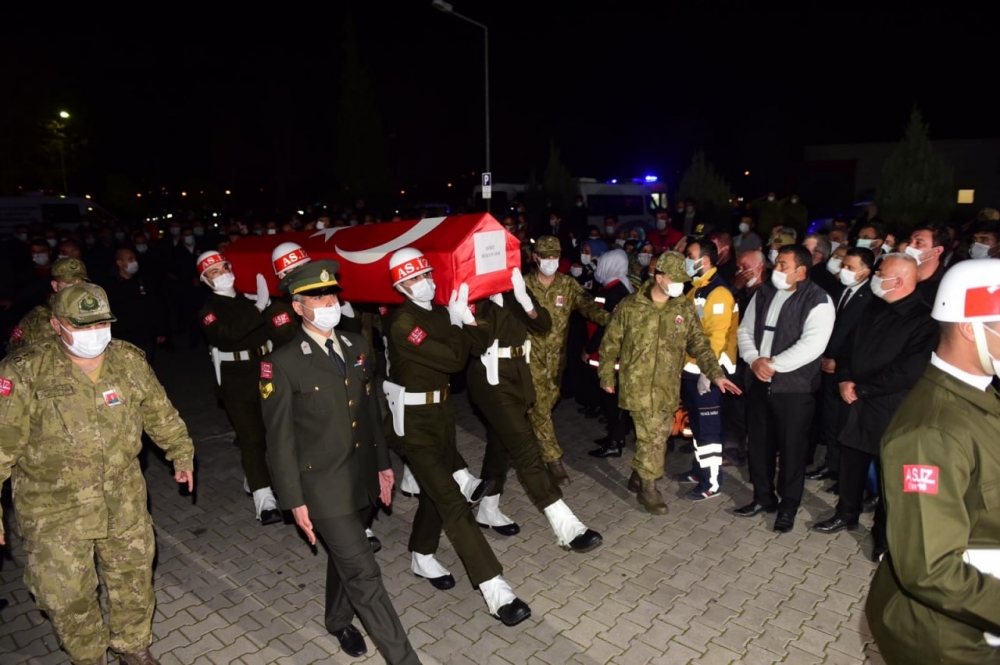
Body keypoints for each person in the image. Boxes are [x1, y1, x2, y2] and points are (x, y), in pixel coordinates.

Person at [0, 283, 195, 665]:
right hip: (54, 510)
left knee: (133, 580)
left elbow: (160, 412)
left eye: (101, 323)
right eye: (83, 326)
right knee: (67, 595)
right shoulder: (23, 372)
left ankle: (132, 646)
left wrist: (181, 452)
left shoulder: (129, 361)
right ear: (57, 325)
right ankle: (88, 656)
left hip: (123, 498)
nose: (95, 334)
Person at [260, 260, 421, 664]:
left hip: (362, 477)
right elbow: (278, 442)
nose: (328, 302)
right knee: (365, 574)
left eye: (331, 293)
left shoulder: (357, 345)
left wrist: (384, 465)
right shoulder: (281, 363)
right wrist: (294, 500)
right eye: (316, 297)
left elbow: (370, 414)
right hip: (320, 488)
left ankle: (336, 619)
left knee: (345, 558)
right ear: (298, 307)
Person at [382, 248, 529, 626]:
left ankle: (421, 553)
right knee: (452, 502)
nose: (424, 283)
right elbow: (451, 360)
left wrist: (463, 324)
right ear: (400, 285)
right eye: (414, 279)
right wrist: (461, 326)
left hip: (441, 416)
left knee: (436, 493)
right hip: (413, 422)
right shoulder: (402, 323)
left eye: (426, 275)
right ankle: (496, 590)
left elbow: (474, 348)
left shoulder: (437, 312)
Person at [866, 258, 1000, 664]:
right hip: (951, 640)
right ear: (969, 326)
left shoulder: (979, 393)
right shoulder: (930, 434)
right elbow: (931, 569)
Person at [465, 267, 603, 552]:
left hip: (518, 376)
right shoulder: (472, 294)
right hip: (491, 379)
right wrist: (466, 316)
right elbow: (474, 343)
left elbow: (544, 324)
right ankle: (565, 525)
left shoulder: (513, 288)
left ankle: (487, 508)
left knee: (500, 444)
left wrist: (525, 301)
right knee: (526, 448)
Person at [813, 254, 937, 560]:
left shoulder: (923, 320)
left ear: (900, 280)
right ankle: (846, 512)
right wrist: (844, 379)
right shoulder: (873, 306)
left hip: (890, 407)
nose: (876, 277)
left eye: (881, 272)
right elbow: (847, 348)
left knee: (888, 476)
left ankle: (883, 536)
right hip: (856, 400)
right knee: (851, 461)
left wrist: (863, 388)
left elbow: (909, 370)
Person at [599, 252, 741, 514]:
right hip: (637, 385)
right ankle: (649, 488)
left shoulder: (683, 307)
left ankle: (639, 473)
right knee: (650, 436)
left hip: (667, 386)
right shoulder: (631, 306)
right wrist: (606, 375)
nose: (679, 285)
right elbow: (610, 342)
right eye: (674, 279)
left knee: (660, 436)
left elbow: (700, 344)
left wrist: (715, 372)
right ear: (659, 277)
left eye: (682, 281)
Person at [735, 244, 835, 532]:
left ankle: (788, 507)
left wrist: (772, 365)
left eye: (783, 265)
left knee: (792, 450)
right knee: (759, 445)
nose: (775, 269)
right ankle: (763, 498)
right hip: (758, 381)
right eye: (776, 263)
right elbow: (744, 330)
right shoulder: (763, 292)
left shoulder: (818, 300)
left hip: (794, 388)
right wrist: (754, 360)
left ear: (801, 271)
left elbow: (812, 345)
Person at [197, 251, 297, 525]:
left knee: (275, 433)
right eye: (214, 271)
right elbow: (226, 336)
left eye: (224, 267)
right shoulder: (208, 312)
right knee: (251, 439)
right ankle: (264, 501)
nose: (222, 274)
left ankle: (259, 479)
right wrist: (258, 308)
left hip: (265, 372)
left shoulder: (250, 299)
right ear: (205, 280)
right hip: (236, 379)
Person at [524, 236, 610, 483]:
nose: (551, 261)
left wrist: (610, 319)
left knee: (546, 405)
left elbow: (588, 306)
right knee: (540, 408)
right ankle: (553, 460)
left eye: (555, 256)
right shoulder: (523, 285)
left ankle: (525, 445)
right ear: (535, 257)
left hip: (557, 361)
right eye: (546, 256)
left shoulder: (568, 285)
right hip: (531, 359)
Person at [674, 239, 739, 500]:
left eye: (690, 256)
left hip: (710, 370)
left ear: (706, 260)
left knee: (708, 428)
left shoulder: (718, 292)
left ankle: (711, 483)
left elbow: (716, 336)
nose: (686, 261)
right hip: (692, 367)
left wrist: (708, 372)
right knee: (698, 426)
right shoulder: (697, 289)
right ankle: (699, 470)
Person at [805, 248, 874, 492]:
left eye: (851, 268)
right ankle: (832, 464)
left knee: (845, 424)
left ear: (865, 272)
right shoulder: (841, 290)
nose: (844, 270)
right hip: (827, 364)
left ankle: (845, 475)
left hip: (846, 371)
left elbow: (859, 339)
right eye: (844, 265)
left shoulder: (870, 298)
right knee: (830, 420)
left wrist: (840, 362)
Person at [8, 258, 89, 352]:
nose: (75, 288)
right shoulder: (37, 317)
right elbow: (13, 349)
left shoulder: (96, 313)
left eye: (80, 282)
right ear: (55, 285)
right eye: (68, 283)